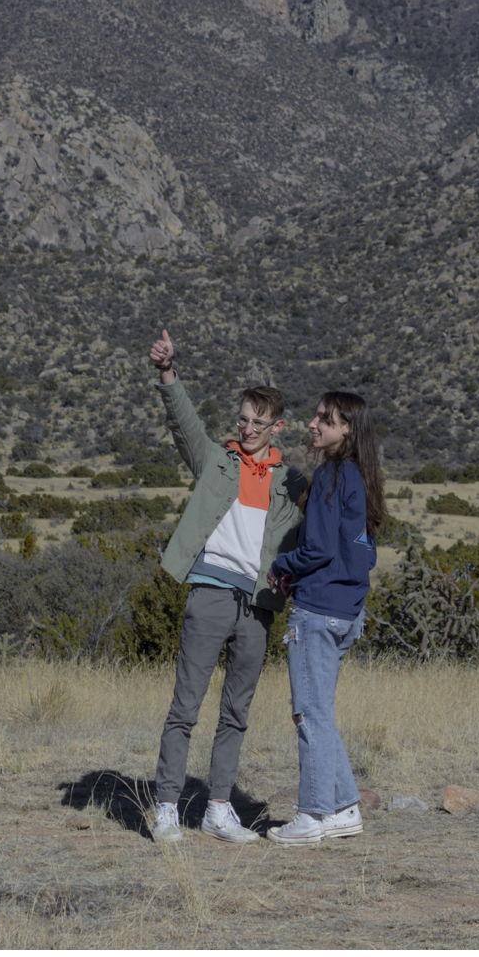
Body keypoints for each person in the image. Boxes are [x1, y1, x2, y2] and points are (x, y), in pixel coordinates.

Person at [145, 328, 305, 843]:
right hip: (210, 595)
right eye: (243, 419)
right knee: (185, 707)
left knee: (236, 712)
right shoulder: (215, 460)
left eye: (259, 422)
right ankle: (166, 807)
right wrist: (168, 371)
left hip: (258, 606)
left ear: (277, 427)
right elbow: (183, 422)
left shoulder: (291, 484)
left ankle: (218, 808)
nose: (248, 428)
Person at [266, 390, 385, 845]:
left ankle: (312, 815)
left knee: (309, 715)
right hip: (347, 611)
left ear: (346, 429)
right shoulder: (360, 477)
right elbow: (361, 551)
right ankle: (345, 807)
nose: (313, 424)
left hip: (316, 612)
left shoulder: (331, 476)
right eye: (317, 416)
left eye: (325, 419)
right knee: (321, 713)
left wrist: (282, 566)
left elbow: (316, 548)